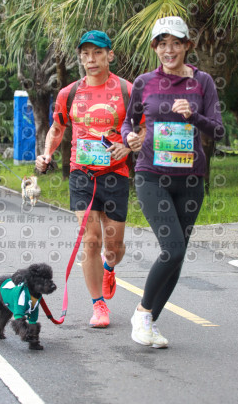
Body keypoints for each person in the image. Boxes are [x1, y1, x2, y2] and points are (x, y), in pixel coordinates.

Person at [121, 16, 225, 348]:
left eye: (176, 43)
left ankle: (148, 321)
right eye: (162, 43)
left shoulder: (203, 82)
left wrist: (192, 116)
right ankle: (142, 313)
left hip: (191, 178)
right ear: (155, 47)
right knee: (173, 247)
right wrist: (129, 138)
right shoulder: (143, 82)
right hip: (151, 174)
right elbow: (127, 123)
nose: (169, 50)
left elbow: (218, 130)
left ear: (187, 46)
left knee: (177, 256)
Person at [36, 30, 145, 328]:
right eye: (85, 53)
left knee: (113, 246)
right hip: (81, 173)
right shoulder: (69, 93)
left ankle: (110, 266)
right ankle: (98, 305)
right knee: (91, 240)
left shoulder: (127, 90)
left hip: (116, 174)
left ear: (110, 55)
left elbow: (144, 128)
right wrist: (46, 153)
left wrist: (130, 143)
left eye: (97, 52)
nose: (90, 59)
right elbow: (57, 128)